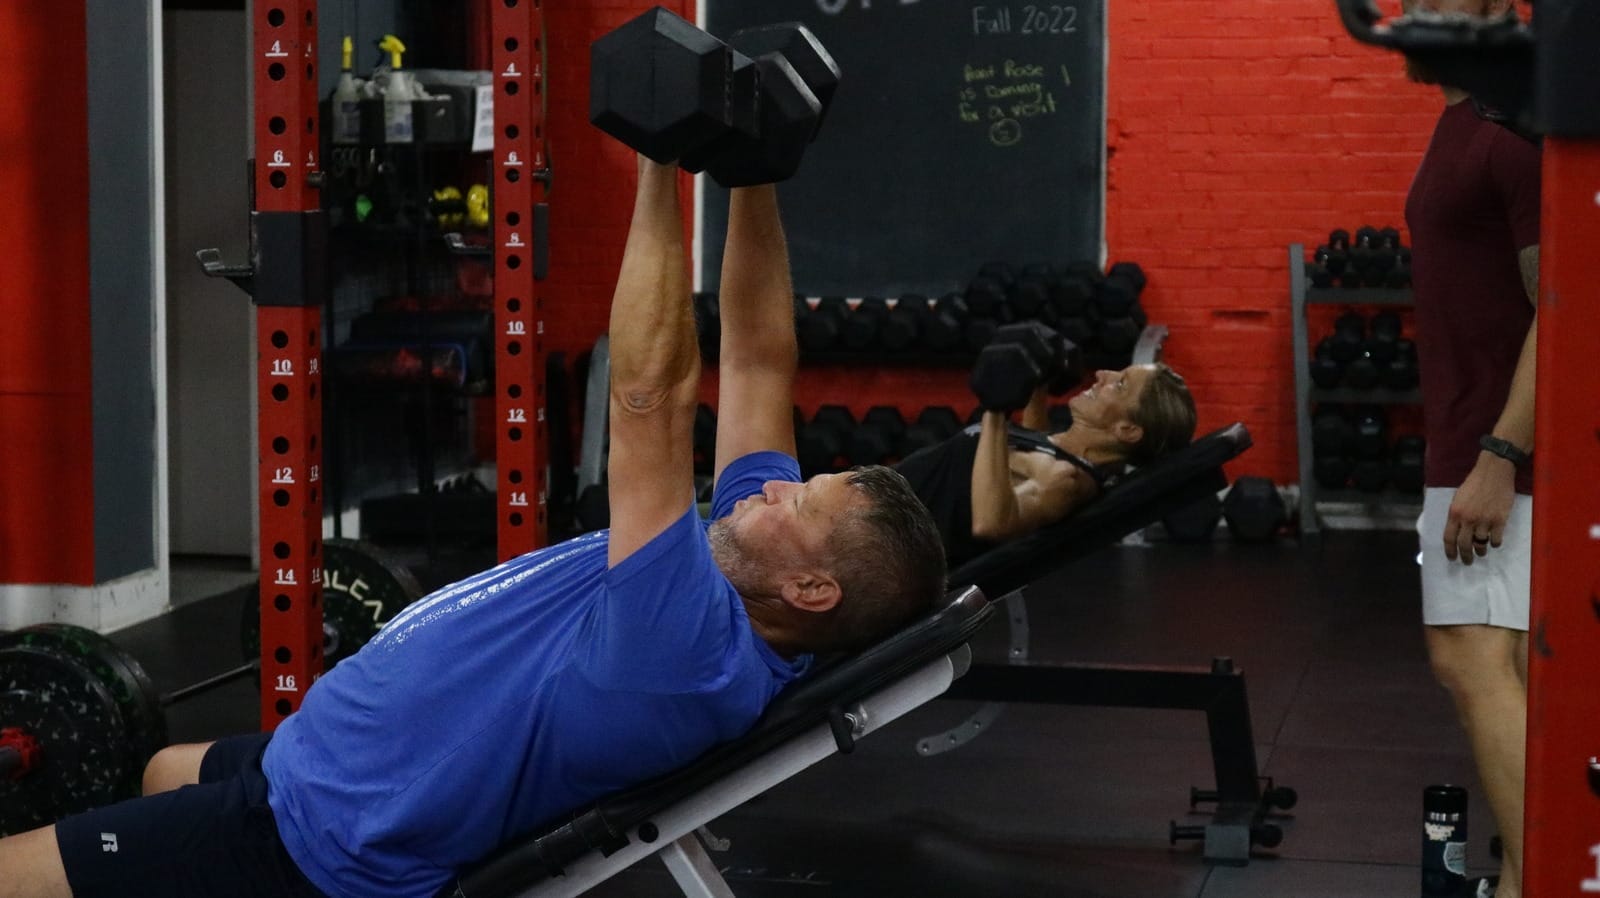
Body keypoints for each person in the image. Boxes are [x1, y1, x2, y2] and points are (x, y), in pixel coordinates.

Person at [0, 160, 947, 898]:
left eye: (799, 502)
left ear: (811, 590)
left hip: (322, 837)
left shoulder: (689, 646)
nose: (770, 488)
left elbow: (649, 397)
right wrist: (754, 168)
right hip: (322, 768)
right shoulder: (749, 566)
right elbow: (757, 359)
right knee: (162, 767)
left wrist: (662, 160)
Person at [1402, 1, 1541, 896]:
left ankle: (1540, 879)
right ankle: (1527, 873)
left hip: (1496, 450)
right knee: (1508, 668)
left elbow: (1569, 308)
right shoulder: (1465, 119)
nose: (1411, 13)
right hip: (1470, 437)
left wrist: (1500, 455)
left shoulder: (1512, 135)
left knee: (1470, 660)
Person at [896, 367, 1198, 567]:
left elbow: (991, 522)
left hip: (885, 537)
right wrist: (1038, 382)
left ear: (1127, 429)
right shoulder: (1063, 456)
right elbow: (1037, 443)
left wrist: (995, 410)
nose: (1101, 374)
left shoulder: (1065, 478)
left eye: (1120, 385)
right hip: (880, 497)